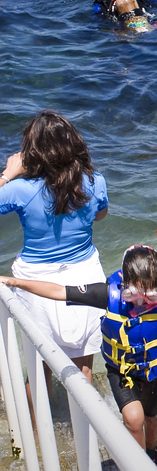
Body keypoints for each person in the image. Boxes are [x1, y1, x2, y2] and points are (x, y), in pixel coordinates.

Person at [1, 242, 157, 464]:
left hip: (156, 371)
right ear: (124, 283)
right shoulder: (108, 294)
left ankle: (151, 448)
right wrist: (14, 282)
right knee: (134, 420)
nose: (142, 302)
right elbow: (60, 291)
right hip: (121, 370)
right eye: (134, 294)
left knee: (151, 418)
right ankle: (140, 464)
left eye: (151, 296)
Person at [0, 110, 108, 387]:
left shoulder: (20, 189)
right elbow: (100, 216)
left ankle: (37, 417)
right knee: (83, 368)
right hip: (85, 277)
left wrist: (8, 174)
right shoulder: (95, 181)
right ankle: (85, 415)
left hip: (35, 282)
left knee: (39, 370)